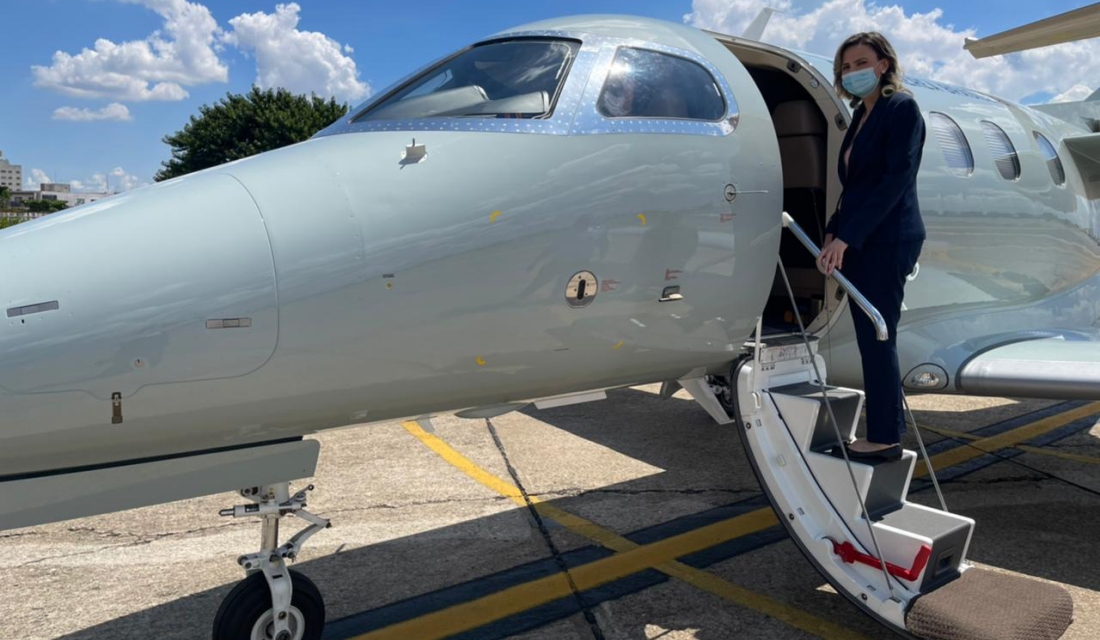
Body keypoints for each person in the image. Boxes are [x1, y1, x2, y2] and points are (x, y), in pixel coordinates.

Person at [816, 32, 925, 461]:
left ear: (883, 65)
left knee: (879, 336)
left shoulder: (901, 108)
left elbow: (895, 181)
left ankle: (885, 438)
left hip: (889, 237)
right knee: (869, 335)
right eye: (845, 66)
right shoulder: (861, 114)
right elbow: (856, 187)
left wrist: (848, 236)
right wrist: (832, 229)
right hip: (864, 235)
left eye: (861, 62)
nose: (852, 72)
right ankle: (884, 430)